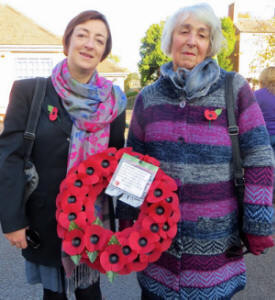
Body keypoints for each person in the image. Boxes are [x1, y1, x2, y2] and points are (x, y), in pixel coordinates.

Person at [124, 3, 274, 300]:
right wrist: (128, 224)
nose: (192, 40)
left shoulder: (234, 89)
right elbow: (133, 166)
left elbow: (259, 156)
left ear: (210, 45)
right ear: (170, 41)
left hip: (216, 256)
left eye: (202, 34)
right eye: (184, 31)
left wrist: (258, 222)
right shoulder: (148, 98)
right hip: (159, 257)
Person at [0, 10, 126, 300]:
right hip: (46, 218)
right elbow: (10, 158)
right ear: (67, 43)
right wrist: (13, 220)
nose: (89, 44)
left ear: (103, 53)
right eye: (82, 35)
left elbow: (117, 161)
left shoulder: (114, 103)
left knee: (90, 292)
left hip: (94, 221)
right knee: (53, 293)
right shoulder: (31, 91)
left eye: (99, 40)